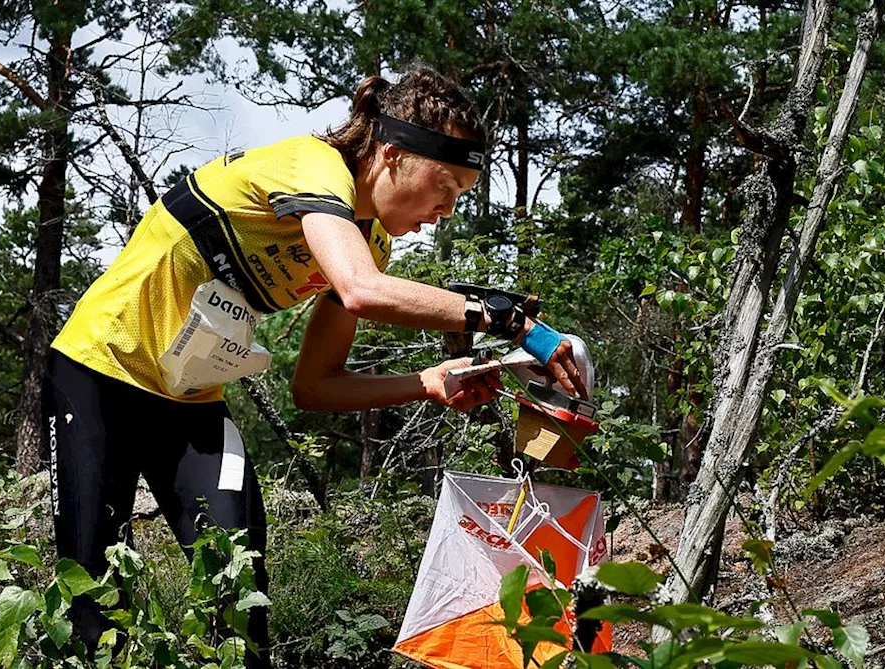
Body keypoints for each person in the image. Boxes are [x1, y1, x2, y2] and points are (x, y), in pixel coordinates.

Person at [42, 65, 587, 666]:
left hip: (191, 402)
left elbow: (315, 385)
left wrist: (426, 383)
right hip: (99, 371)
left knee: (237, 584)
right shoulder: (313, 166)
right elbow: (360, 290)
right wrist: (508, 319)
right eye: (445, 186)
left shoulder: (371, 241)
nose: (447, 210)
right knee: (90, 592)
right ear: (392, 154)